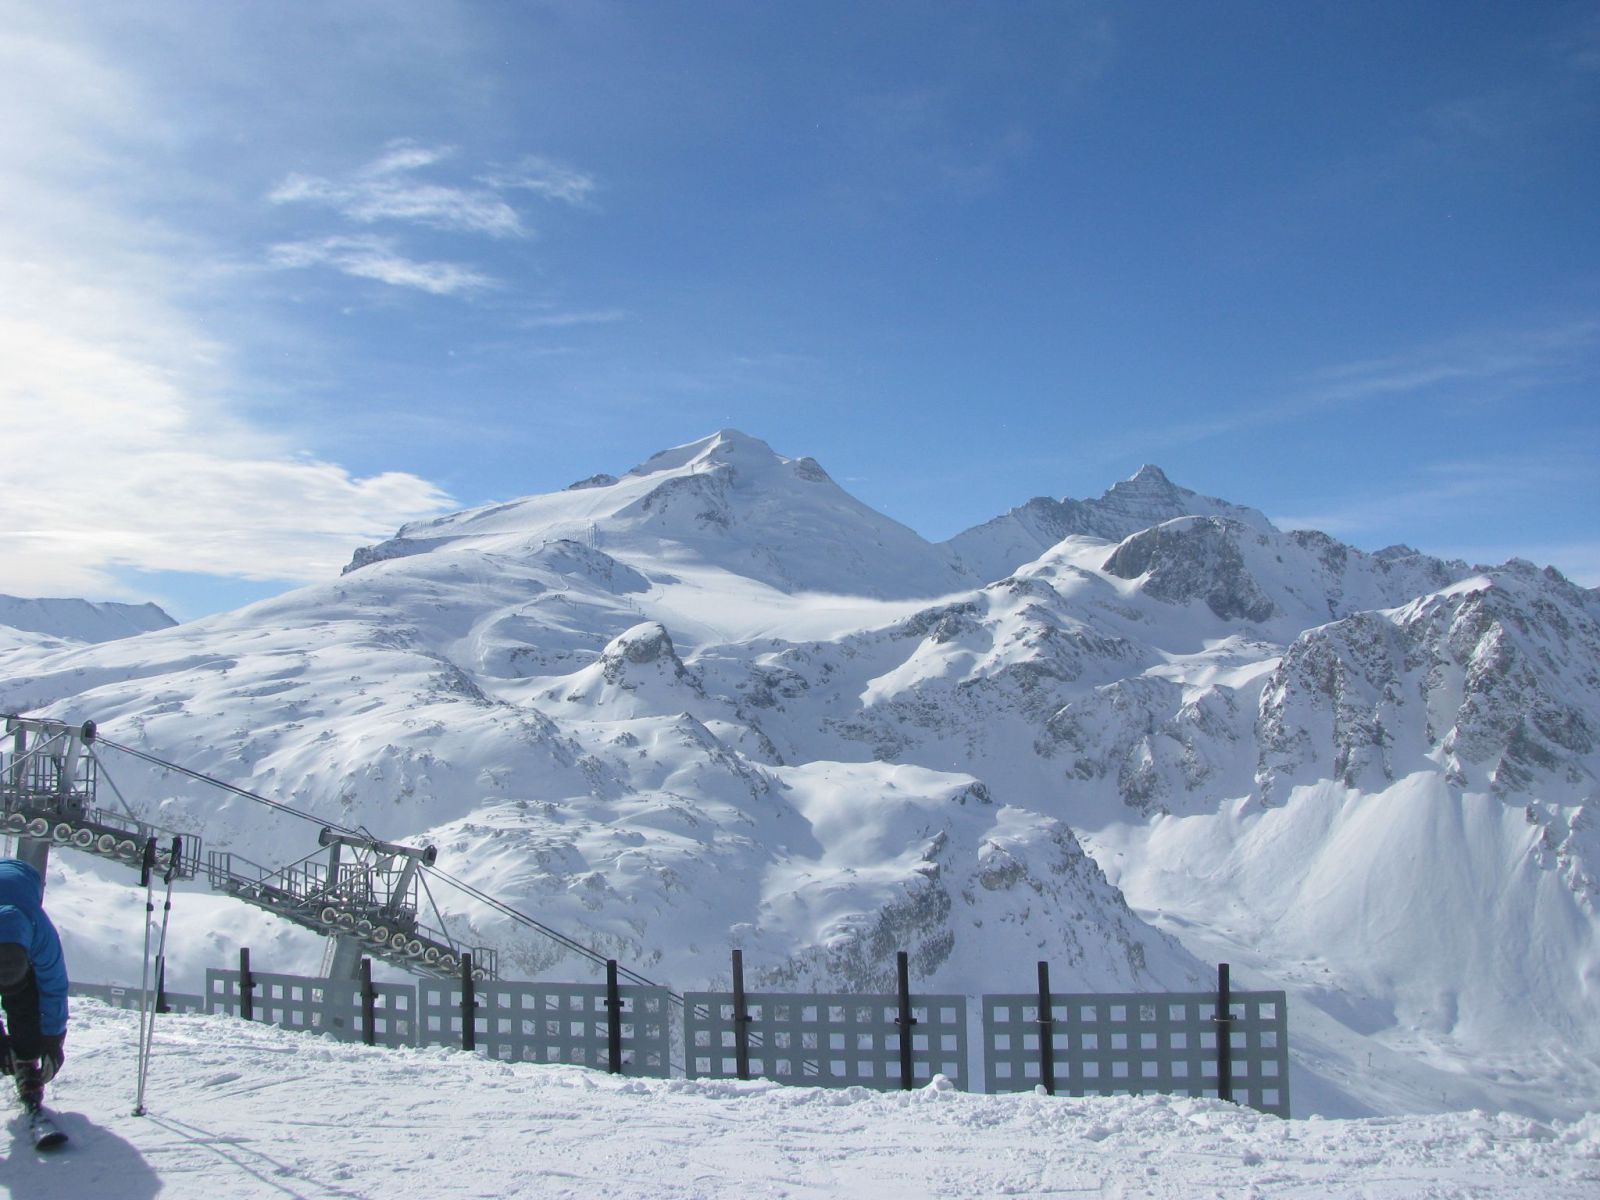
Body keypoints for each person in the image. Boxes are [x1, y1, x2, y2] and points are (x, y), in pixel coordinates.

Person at [0, 858, 67, 1113]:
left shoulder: (40, 932)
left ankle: (27, 1060)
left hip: (25, 876)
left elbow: (53, 987)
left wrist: (52, 1038)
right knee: (21, 995)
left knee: (25, 999)